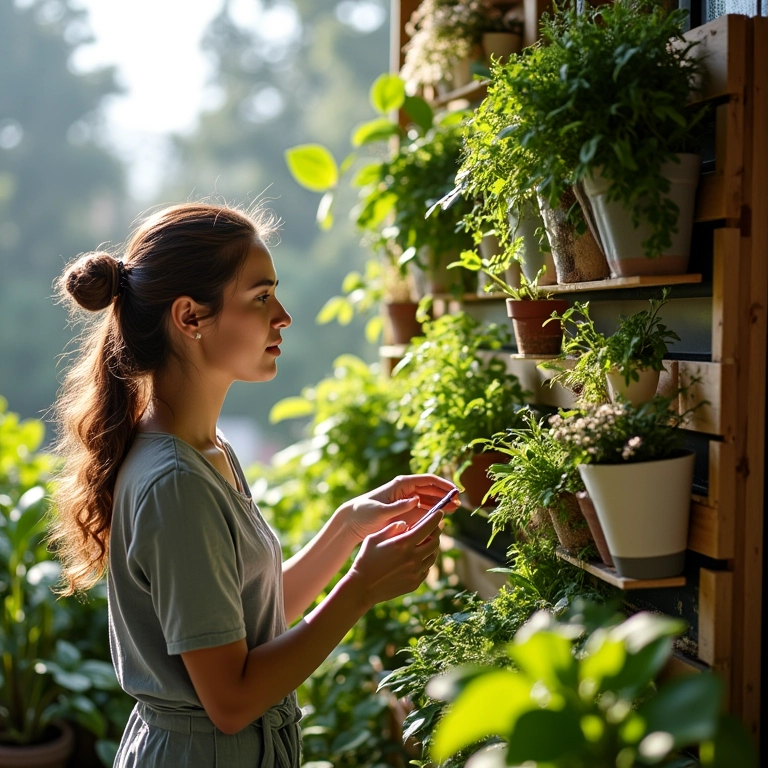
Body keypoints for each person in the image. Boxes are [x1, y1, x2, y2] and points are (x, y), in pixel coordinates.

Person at [49, 202, 459, 767]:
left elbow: (245, 623)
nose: (283, 315)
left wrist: (345, 528)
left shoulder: (207, 452)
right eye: (261, 297)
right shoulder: (175, 482)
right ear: (191, 317)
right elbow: (232, 700)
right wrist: (361, 586)